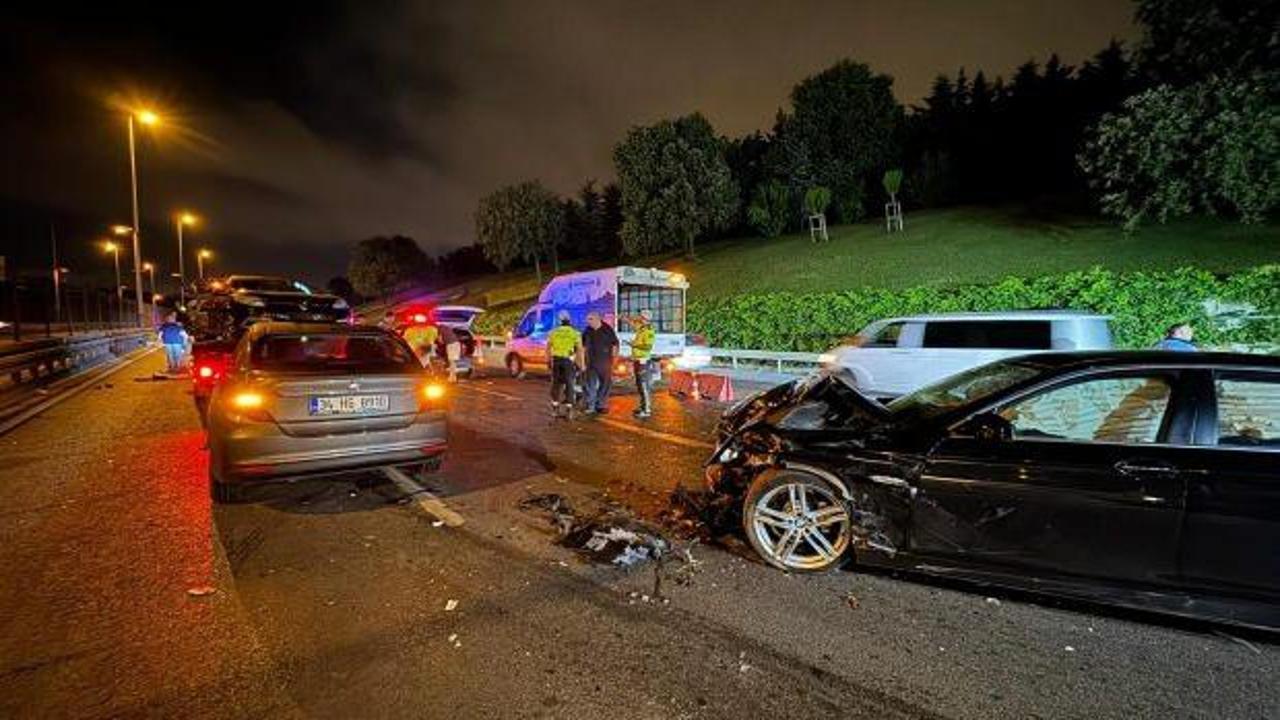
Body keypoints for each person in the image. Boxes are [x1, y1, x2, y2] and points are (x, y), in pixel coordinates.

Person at [545, 310, 583, 419]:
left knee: (556, 385)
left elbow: (547, 349)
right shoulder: (575, 333)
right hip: (568, 362)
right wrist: (581, 364)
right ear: (569, 320)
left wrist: (548, 361)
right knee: (570, 384)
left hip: (556, 361)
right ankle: (569, 411)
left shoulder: (553, 332)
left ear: (559, 320)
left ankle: (555, 410)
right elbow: (580, 350)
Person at [581, 311, 619, 414]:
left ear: (597, 319)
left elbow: (615, 344)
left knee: (605, 384)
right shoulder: (587, 330)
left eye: (590, 319)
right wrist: (582, 362)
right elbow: (582, 346)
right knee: (590, 385)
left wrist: (614, 360)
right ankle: (591, 406)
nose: (588, 322)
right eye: (588, 320)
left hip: (605, 362)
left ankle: (601, 404)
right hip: (590, 363)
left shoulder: (607, 329)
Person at [630, 309, 656, 419]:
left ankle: (646, 410)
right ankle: (642, 407)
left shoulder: (648, 331)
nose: (638, 318)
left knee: (644, 386)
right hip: (638, 360)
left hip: (643, 361)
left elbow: (648, 347)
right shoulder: (641, 328)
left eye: (640, 317)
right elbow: (632, 322)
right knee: (640, 385)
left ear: (644, 318)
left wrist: (634, 345)